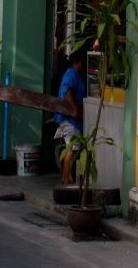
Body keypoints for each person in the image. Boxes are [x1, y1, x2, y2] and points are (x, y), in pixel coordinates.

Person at [53, 52, 86, 185]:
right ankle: (65, 178)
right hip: (70, 119)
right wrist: (75, 111)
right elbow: (67, 92)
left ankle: (67, 176)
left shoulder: (73, 74)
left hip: (72, 120)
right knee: (72, 149)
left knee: (71, 149)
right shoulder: (71, 74)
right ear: (78, 62)